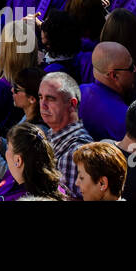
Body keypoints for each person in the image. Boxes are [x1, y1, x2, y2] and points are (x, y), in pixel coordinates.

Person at [38, 71, 93, 199]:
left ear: (72, 104)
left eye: (50, 99)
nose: (43, 105)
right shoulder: (51, 132)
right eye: (41, 97)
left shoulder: (76, 152)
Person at [78, 41, 136, 141]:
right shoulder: (124, 118)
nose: (135, 70)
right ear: (114, 75)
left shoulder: (78, 92)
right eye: (131, 67)